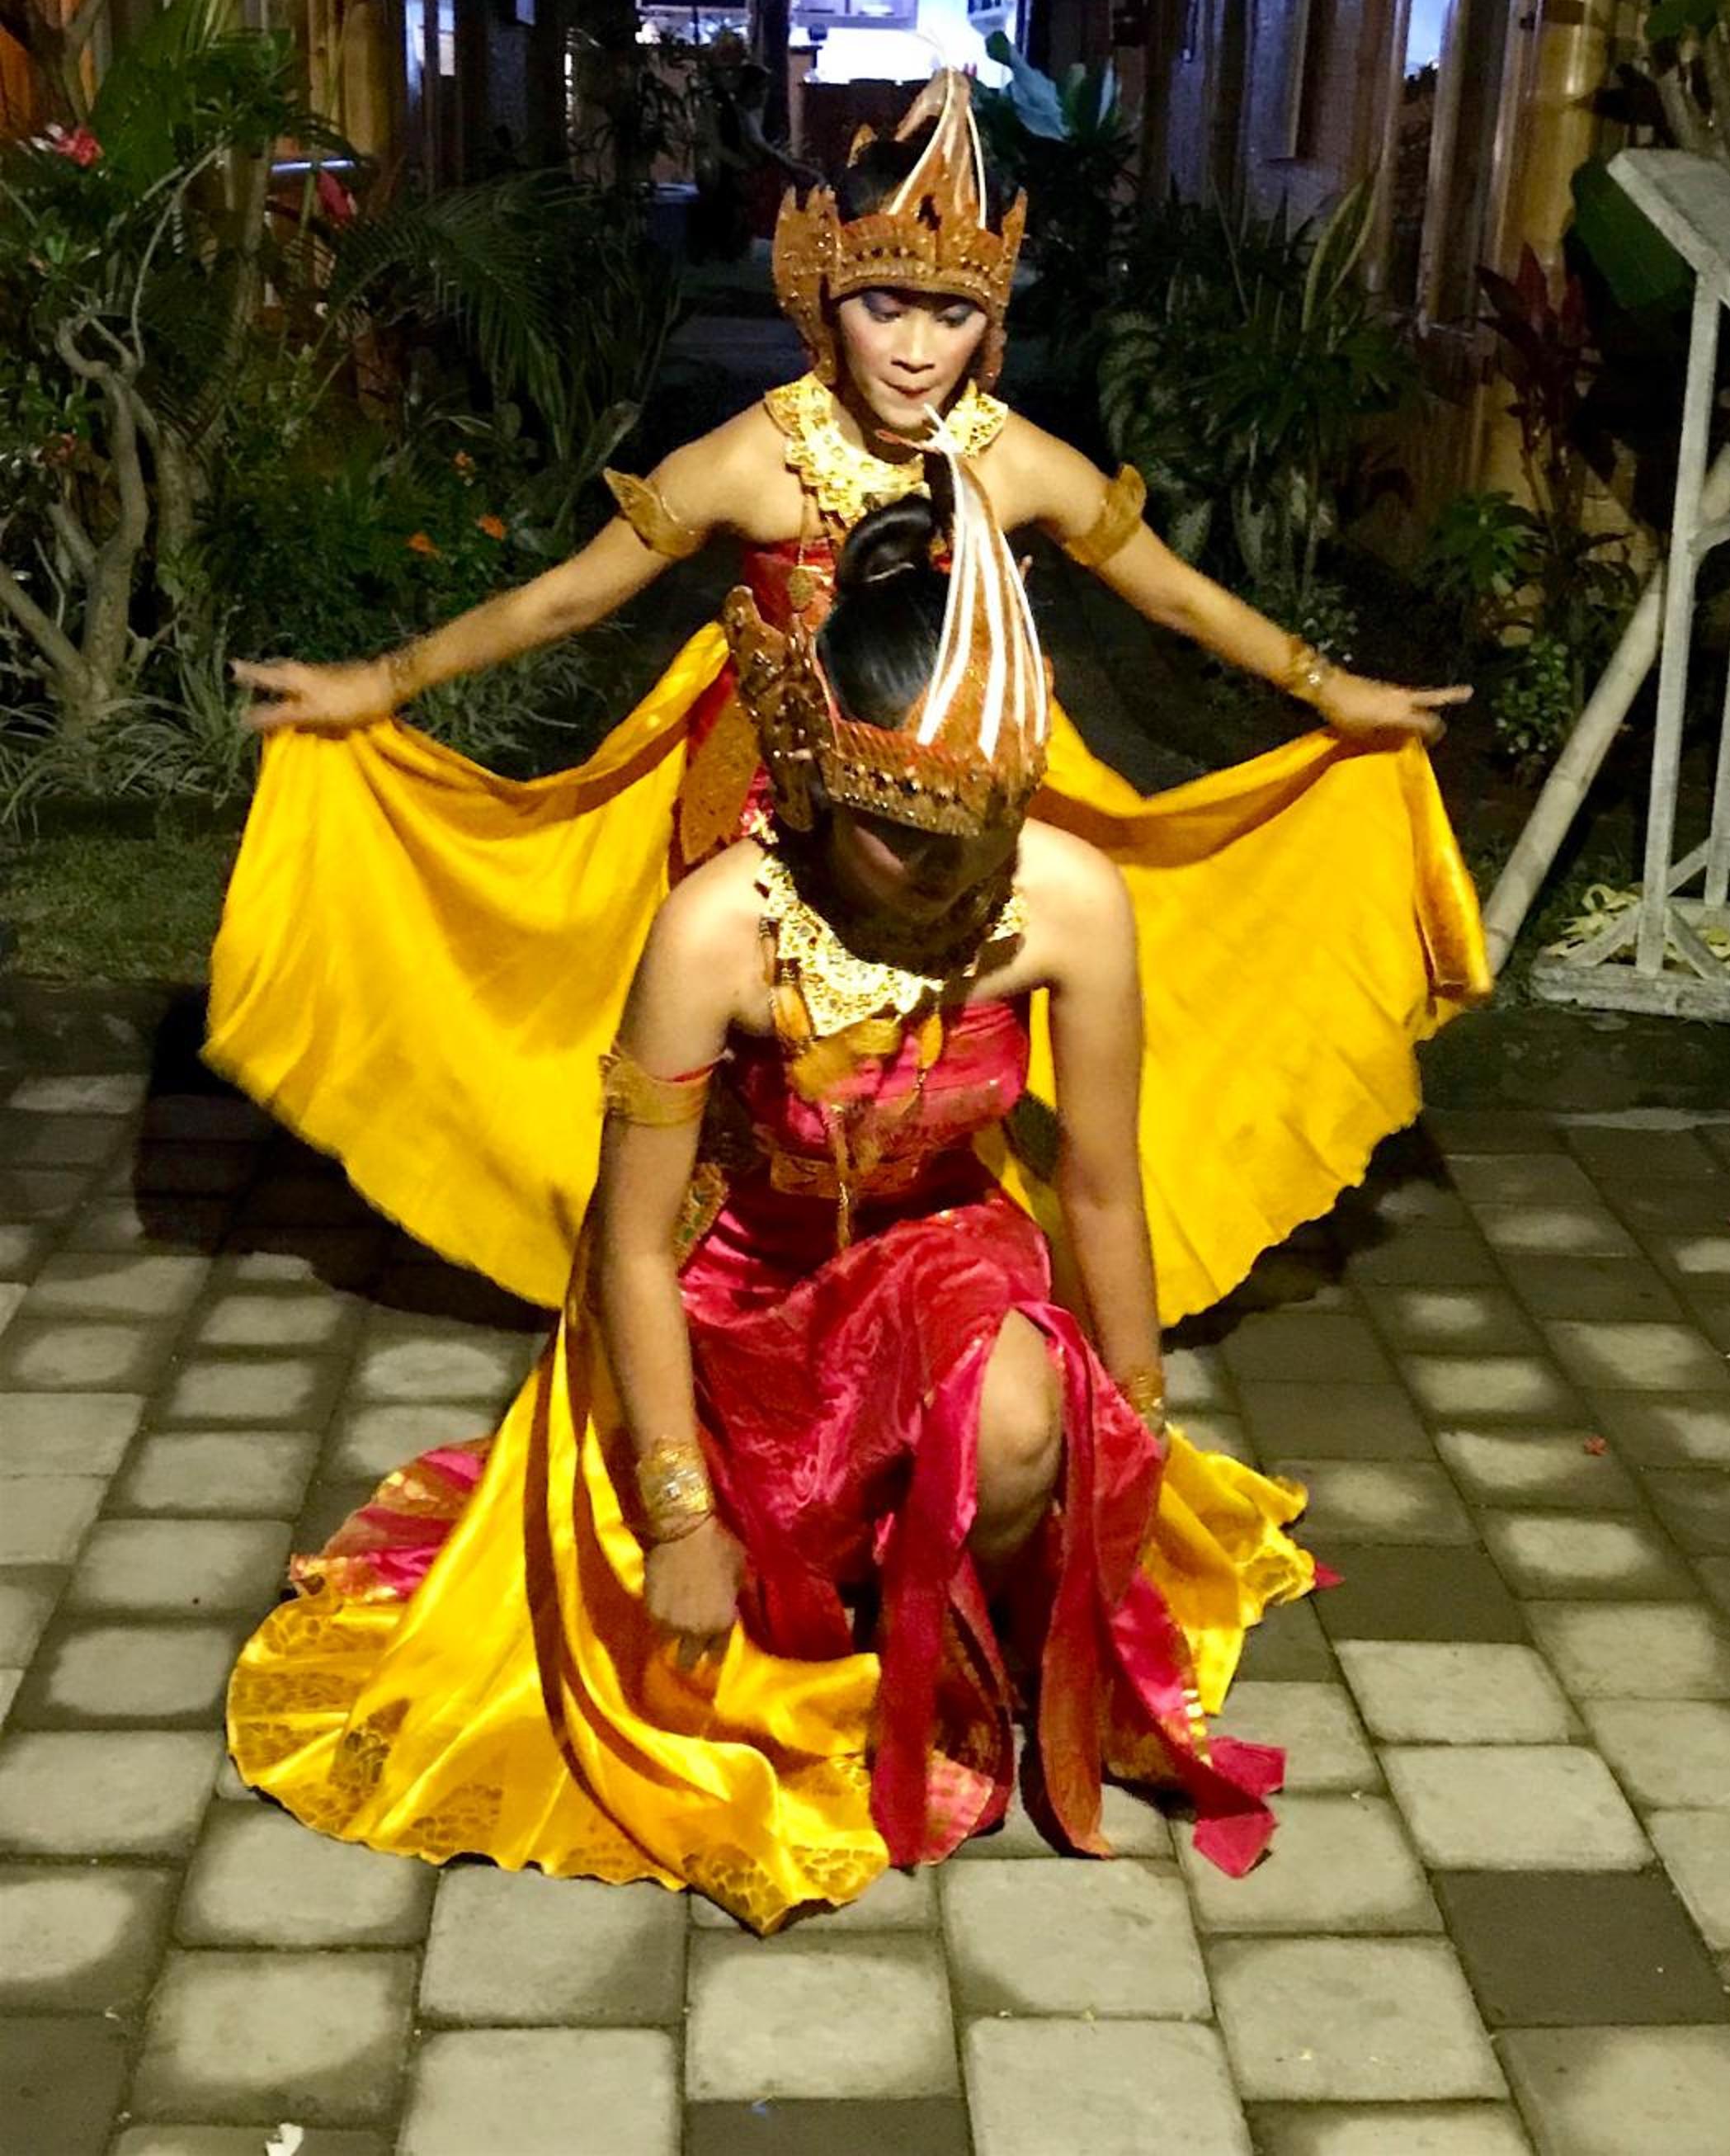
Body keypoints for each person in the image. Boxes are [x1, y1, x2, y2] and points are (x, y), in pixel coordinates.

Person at [211, 70, 1487, 1326]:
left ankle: (940, 1269)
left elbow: (1175, 595)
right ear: (820, 293)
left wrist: (1329, 689)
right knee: (756, 1072)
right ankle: (718, 1292)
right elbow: (566, 599)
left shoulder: (1015, 461)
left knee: (957, 1047)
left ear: (991, 322)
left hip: (968, 809)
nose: (917, 351)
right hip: (764, 809)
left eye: (952, 315)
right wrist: (382, 681)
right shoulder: (754, 456)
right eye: (885, 306)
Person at [226, 468, 1318, 1929]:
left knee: (1021, 1426)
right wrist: (677, 1512)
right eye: (897, 835)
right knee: (693, 1644)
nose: (943, 882)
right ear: (806, 773)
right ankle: (821, 1597)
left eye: (978, 835)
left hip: (939, 1246)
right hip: (731, 1283)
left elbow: (1103, 1190)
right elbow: (626, 1243)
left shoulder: (1065, 899)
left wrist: (1135, 1422)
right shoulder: (716, 932)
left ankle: (944, 1645)